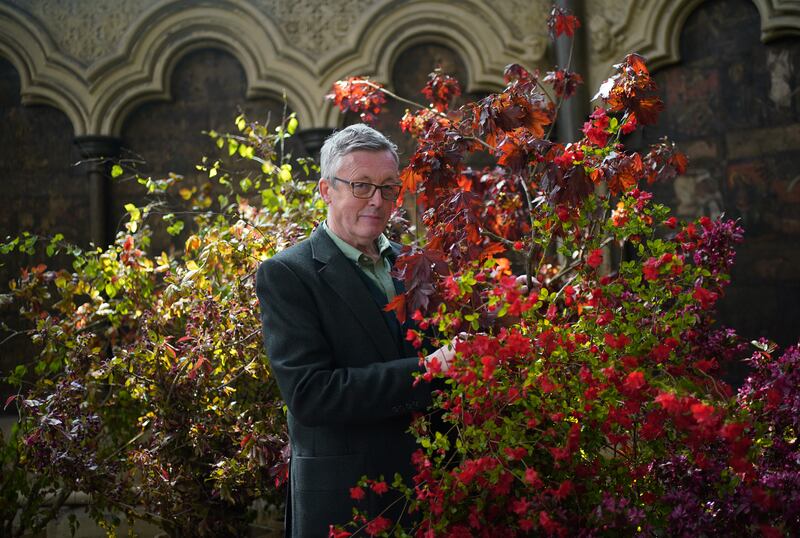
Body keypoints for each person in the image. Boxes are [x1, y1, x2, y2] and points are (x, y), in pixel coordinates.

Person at [256, 124, 455, 537]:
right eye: (361, 186)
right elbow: (311, 395)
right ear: (327, 190)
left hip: (431, 494)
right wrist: (428, 369)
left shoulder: (416, 264)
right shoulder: (288, 274)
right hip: (345, 503)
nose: (377, 201)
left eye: (388, 187)